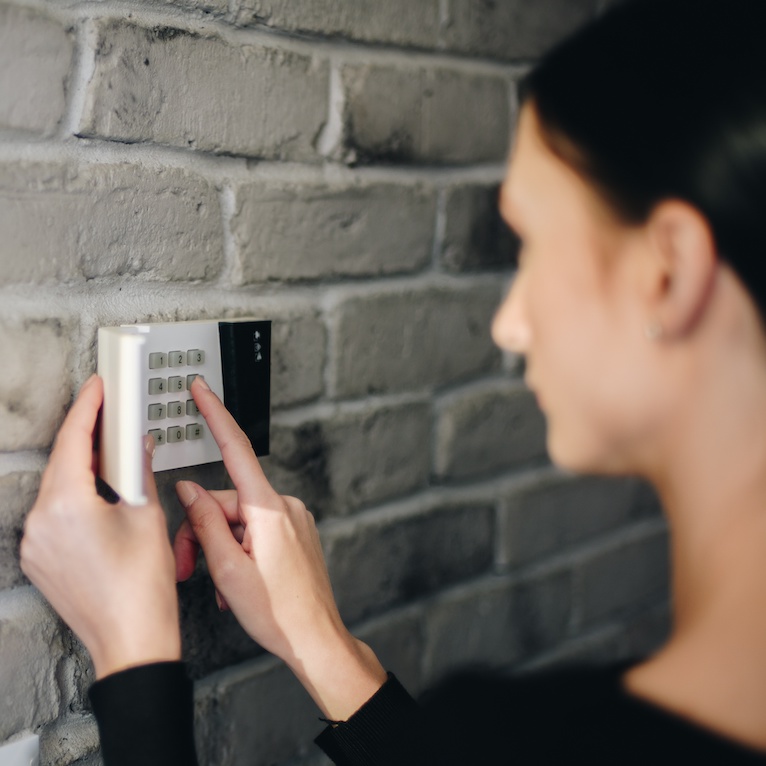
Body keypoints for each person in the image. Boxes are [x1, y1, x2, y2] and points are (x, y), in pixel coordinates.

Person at [19, 0, 766, 762]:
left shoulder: (534, 735)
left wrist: (133, 651)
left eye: (533, 245)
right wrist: (319, 640)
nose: (509, 324)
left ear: (669, 272)